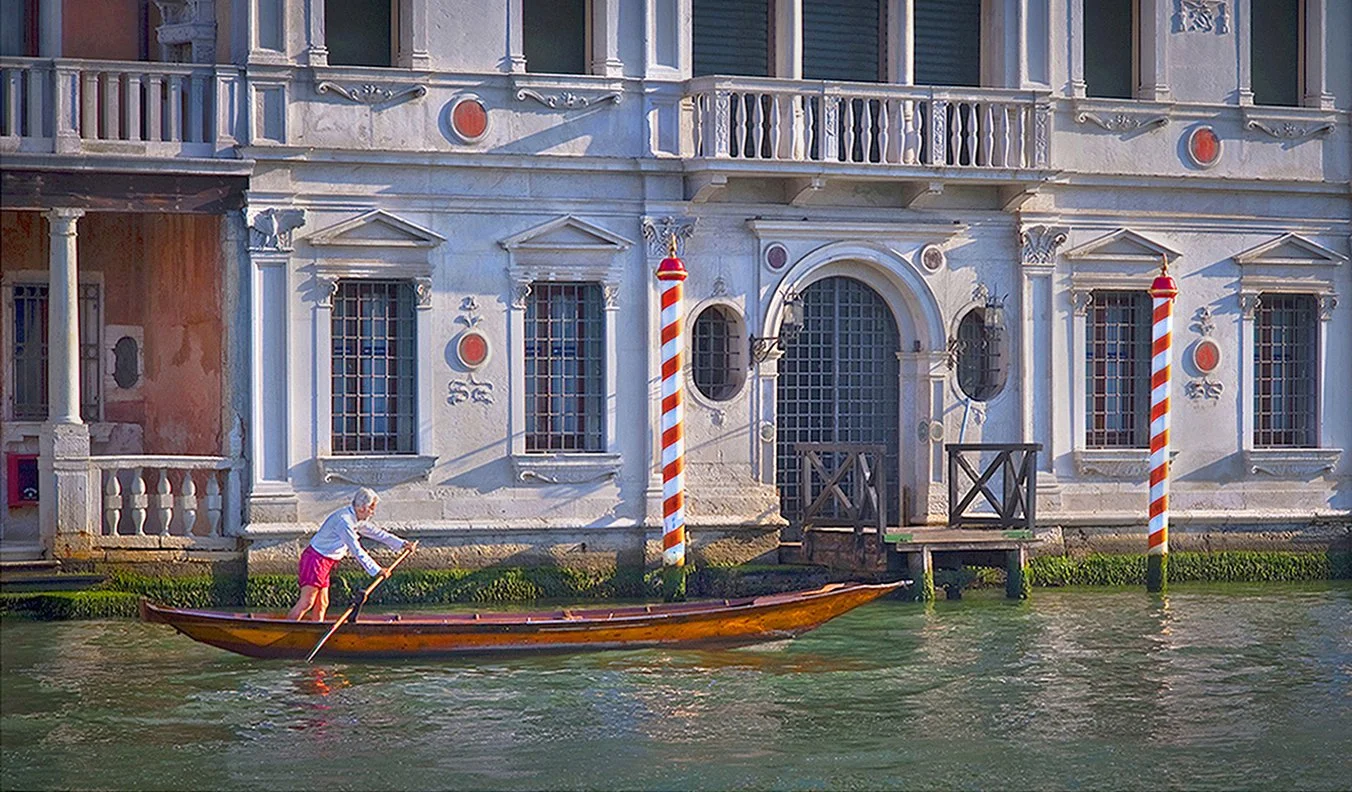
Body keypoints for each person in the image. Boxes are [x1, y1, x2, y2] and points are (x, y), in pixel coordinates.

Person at [288, 487, 415, 621]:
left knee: (323, 603)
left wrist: (402, 543)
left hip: (326, 561)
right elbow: (356, 550)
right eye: (371, 509)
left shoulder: (356, 519)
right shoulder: (345, 521)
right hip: (315, 560)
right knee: (307, 602)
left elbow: (377, 533)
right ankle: (287, 631)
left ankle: (316, 632)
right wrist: (377, 570)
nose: (373, 513)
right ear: (362, 508)